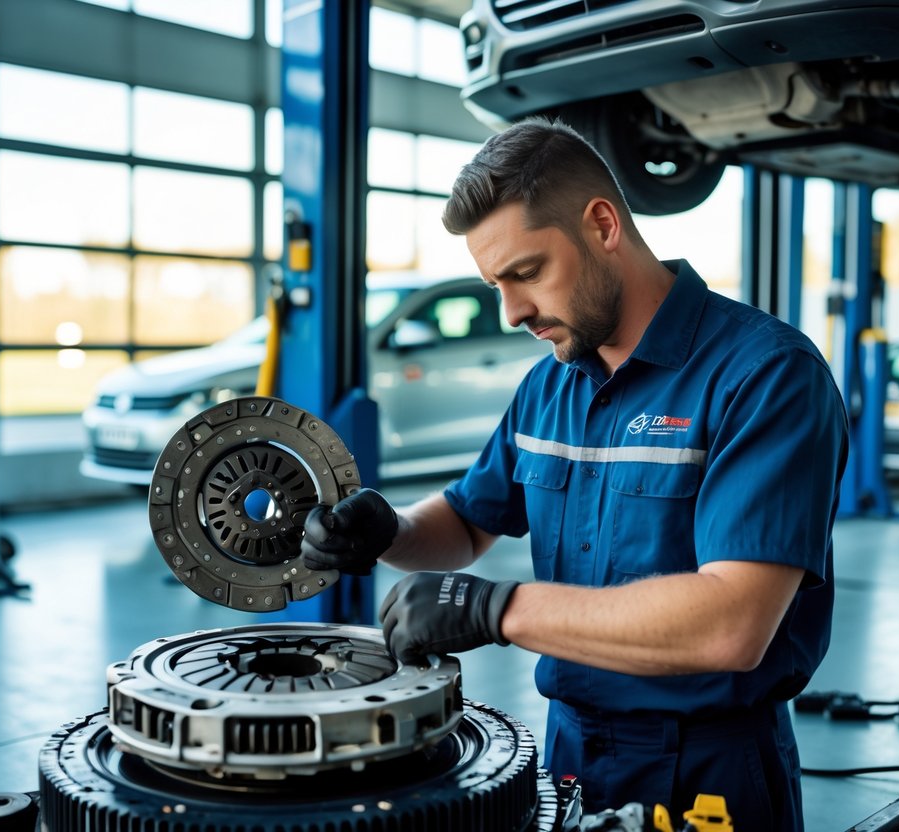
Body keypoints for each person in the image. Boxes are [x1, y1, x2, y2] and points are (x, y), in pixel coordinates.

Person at [301, 117, 848, 831]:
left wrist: (496, 609)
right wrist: (386, 531)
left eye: (526, 273)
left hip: (709, 773)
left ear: (601, 225)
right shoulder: (548, 387)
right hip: (568, 754)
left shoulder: (764, 375)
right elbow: (468, 523)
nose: (512, 311)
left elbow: (732, 624)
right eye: (495, 283)